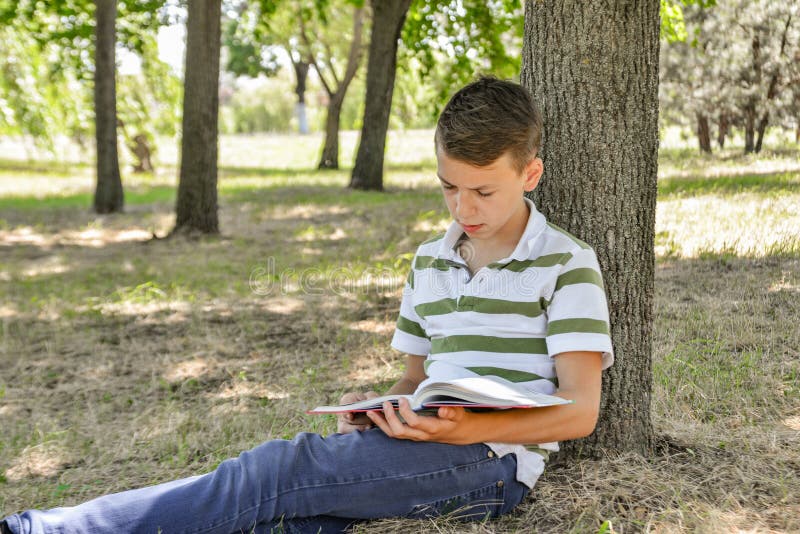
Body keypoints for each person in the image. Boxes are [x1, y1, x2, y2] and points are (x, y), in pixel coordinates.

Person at [2, 77, 614, 534]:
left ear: (530, 173)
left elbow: (578, 413)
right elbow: (416, 377)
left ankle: (45, 529)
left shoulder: (566, 262)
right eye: (449, 187)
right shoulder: (432, 258)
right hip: (425, 441)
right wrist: (384, 410)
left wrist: (470, 428)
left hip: (492, 466)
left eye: (484, 191)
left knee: (277, 470)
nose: (464, 208)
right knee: (274, 522)